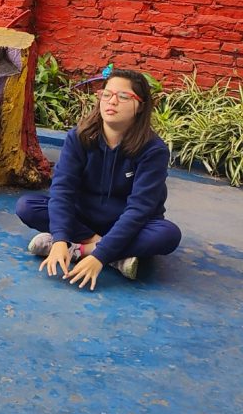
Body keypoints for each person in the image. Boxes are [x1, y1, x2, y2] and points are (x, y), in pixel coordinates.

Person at [15, 68, 182, 290]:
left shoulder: (153, 150)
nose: (112, 101)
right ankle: (117, 255)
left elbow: (139, 209)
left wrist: (98, 256)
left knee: (167, 235)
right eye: (107, 94)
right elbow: (62, 191)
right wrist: (59, 237)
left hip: (126, 222)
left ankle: (79, 250)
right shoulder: (80, 137)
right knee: (27, 206)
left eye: (123, 96)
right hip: (84, 218)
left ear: (140, 106)